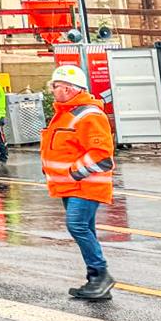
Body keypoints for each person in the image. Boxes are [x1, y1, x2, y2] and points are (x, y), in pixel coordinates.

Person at [41, 64, 116, 301]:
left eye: (55, 86)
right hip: (70, 186)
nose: (52, 90)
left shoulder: (88, 115)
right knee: (86, 228)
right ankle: (95, 280)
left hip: (84, 185)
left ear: (69, 88)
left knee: (77, 226)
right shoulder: (65, 113)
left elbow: (102, 155)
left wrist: (73, 173)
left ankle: (100, 275)